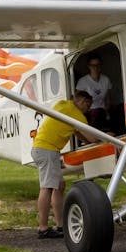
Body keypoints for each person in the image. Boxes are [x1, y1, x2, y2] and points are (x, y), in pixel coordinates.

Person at [30, 90, 93, 239]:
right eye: (88, 105)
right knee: (47, 187)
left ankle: (61, 225)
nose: (88, 109)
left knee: (59, 186)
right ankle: (43, 228)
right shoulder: (77, 116)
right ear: (82, 101)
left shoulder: (63, 105)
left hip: (42, 148)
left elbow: (77, 132)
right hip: (47, 149)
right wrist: (106, 136)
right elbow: (91, 138)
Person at [75, 53, 113, 131]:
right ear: (89, 66)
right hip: (89, 112)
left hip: (102, 112)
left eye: (98, 65)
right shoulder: (83, 81)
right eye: (93, 65)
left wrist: (106, 111)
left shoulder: (106, 80)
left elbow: (108, 100)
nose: (96, 68)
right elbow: (78, 102)